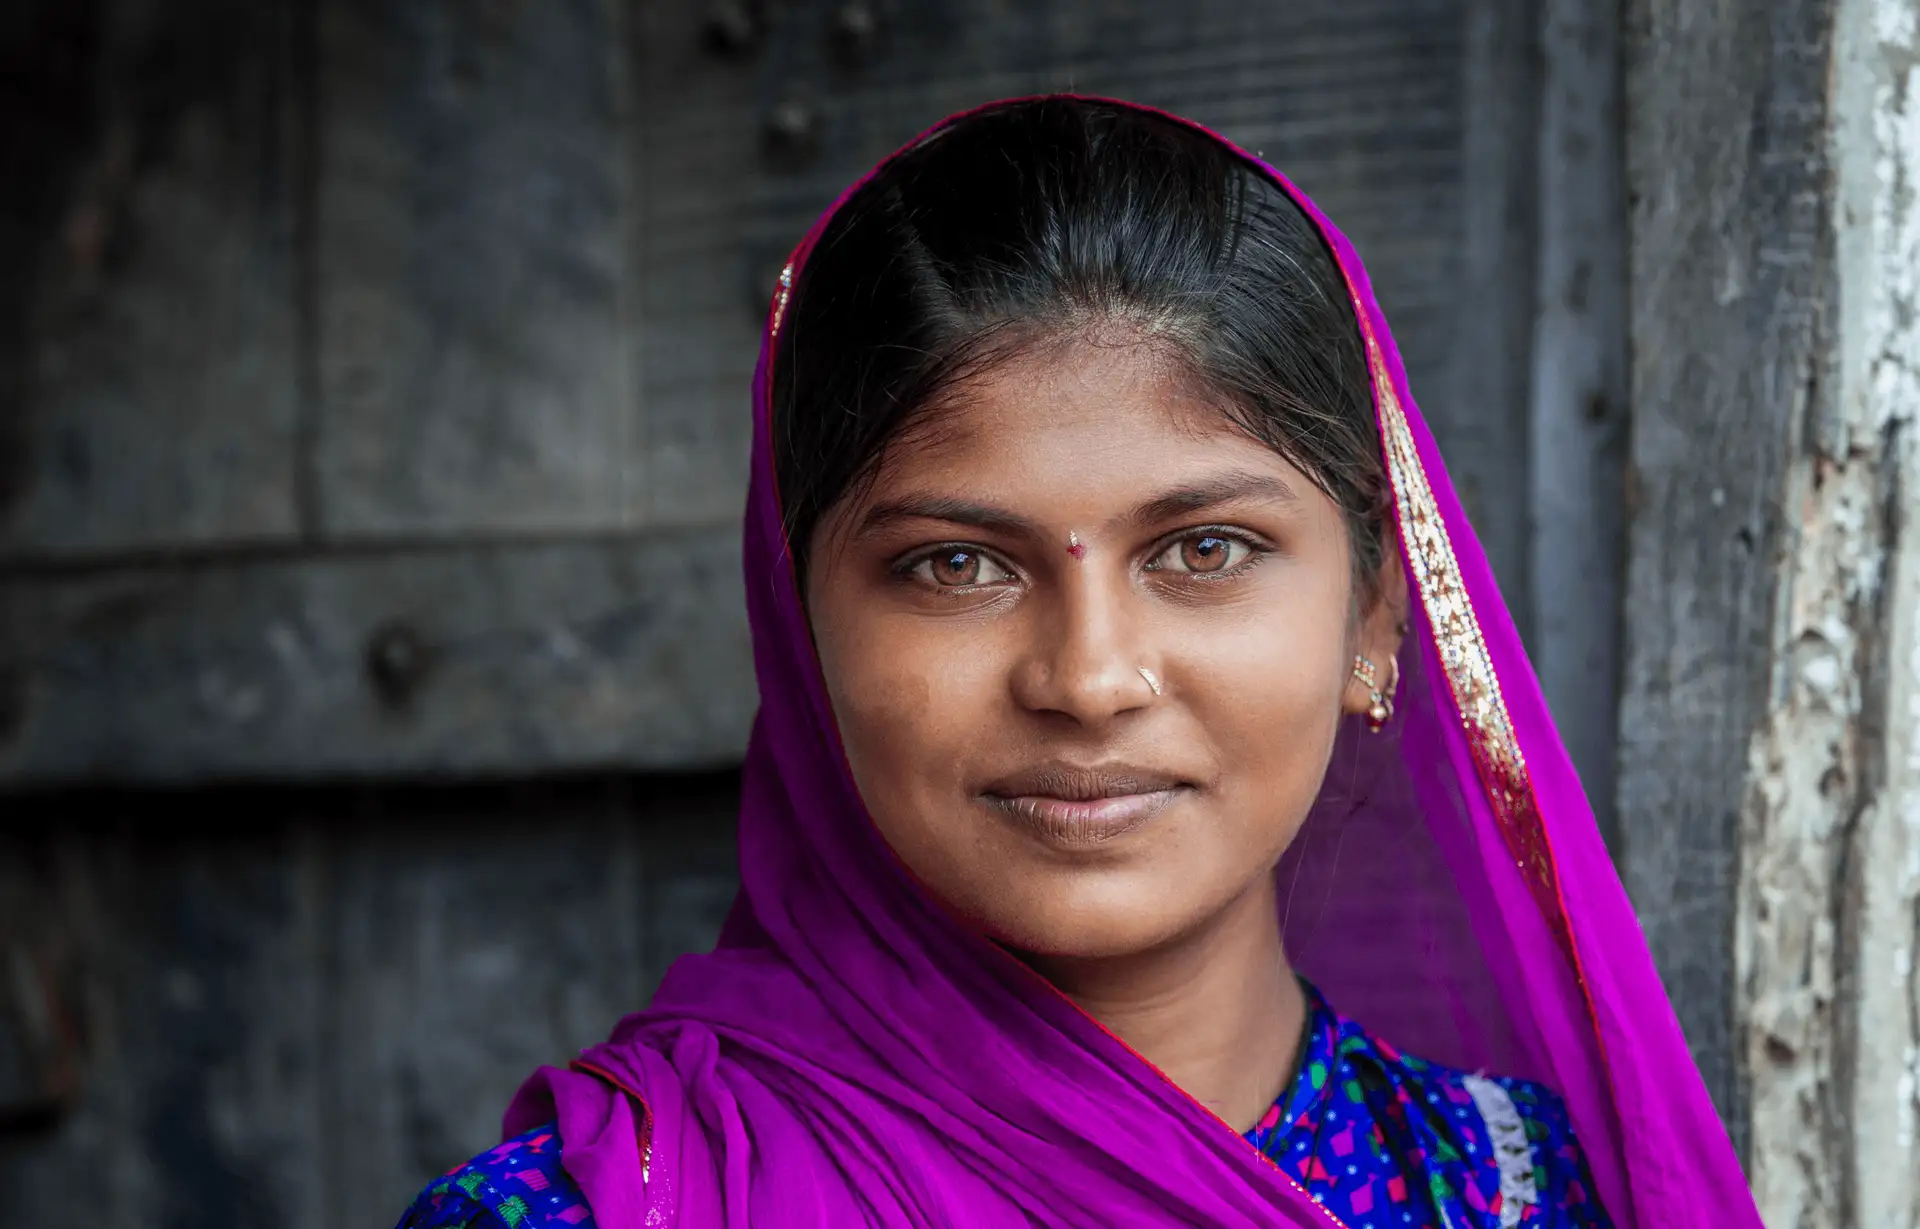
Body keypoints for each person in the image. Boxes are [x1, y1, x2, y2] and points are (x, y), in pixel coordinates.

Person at [397, 96, 1761, 1229]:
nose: (1091, 677)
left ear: (1374, 622)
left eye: (1205, 550)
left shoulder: (1524, 1195)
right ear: (800, 631)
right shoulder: (618, 1204)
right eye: (955, 565)